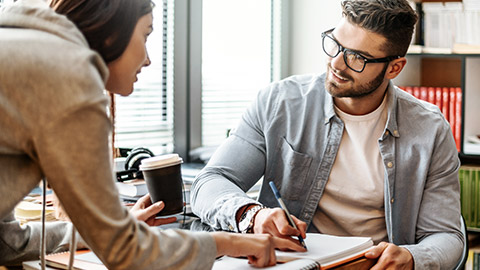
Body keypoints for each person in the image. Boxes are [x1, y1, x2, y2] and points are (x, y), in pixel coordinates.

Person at [0, 0, 304, 268]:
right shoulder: (70, 80)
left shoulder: (19, 46)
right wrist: (228, 243)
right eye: (146, 35)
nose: (147, 59)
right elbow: (126, 254)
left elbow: (6, 243)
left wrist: (114, 228)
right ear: (111, 30)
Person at [191, 0, 464, 269]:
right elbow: (211, 181)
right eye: (335, 44)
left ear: (394, 68)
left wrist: (412, 258)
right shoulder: (279, 103)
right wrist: (252, 215)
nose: (336, 63)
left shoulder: (430, 129)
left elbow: (446, 237)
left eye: (357, 57)